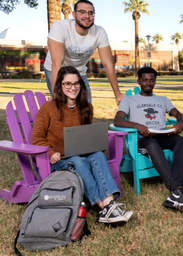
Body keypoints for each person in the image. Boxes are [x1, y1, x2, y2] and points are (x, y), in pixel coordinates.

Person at [31, 66, 133, 224]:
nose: (73, 87)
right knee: (78, 160)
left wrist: (96, 143)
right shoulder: (48, 109)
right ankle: (105, 208)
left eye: (76, 83)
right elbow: (37, 138)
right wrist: (51, 153)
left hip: (81, 155)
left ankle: (110, 205)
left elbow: (85, 136)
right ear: (60, 86)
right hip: (58, 161)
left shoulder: (86, 108)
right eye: (68, 84)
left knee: (98, 155)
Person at [113, 67, 183, 213]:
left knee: (180, 141)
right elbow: (117, 120)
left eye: (151, 80)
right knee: (152, 144)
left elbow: (178, 114)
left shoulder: (163, 100)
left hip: (163, 135)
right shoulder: (129, 100)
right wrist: (136, 125)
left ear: (155, 81)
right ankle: (178, 191)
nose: (148, 83)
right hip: (143, 139)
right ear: (139, 81)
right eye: (145, 80)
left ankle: (176, 192)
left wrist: (181, 122)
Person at [44, 0, 125, 104]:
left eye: (90, 13)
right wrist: (56, 95)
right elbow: (56, 63)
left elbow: (108, 64)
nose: (87, 16)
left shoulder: (99, 32)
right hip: (56, 70)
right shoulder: (60, 27)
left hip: (79, 72)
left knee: (86, 108)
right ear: (74, 14)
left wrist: (117, 94)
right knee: (63, 105)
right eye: (82, 12)